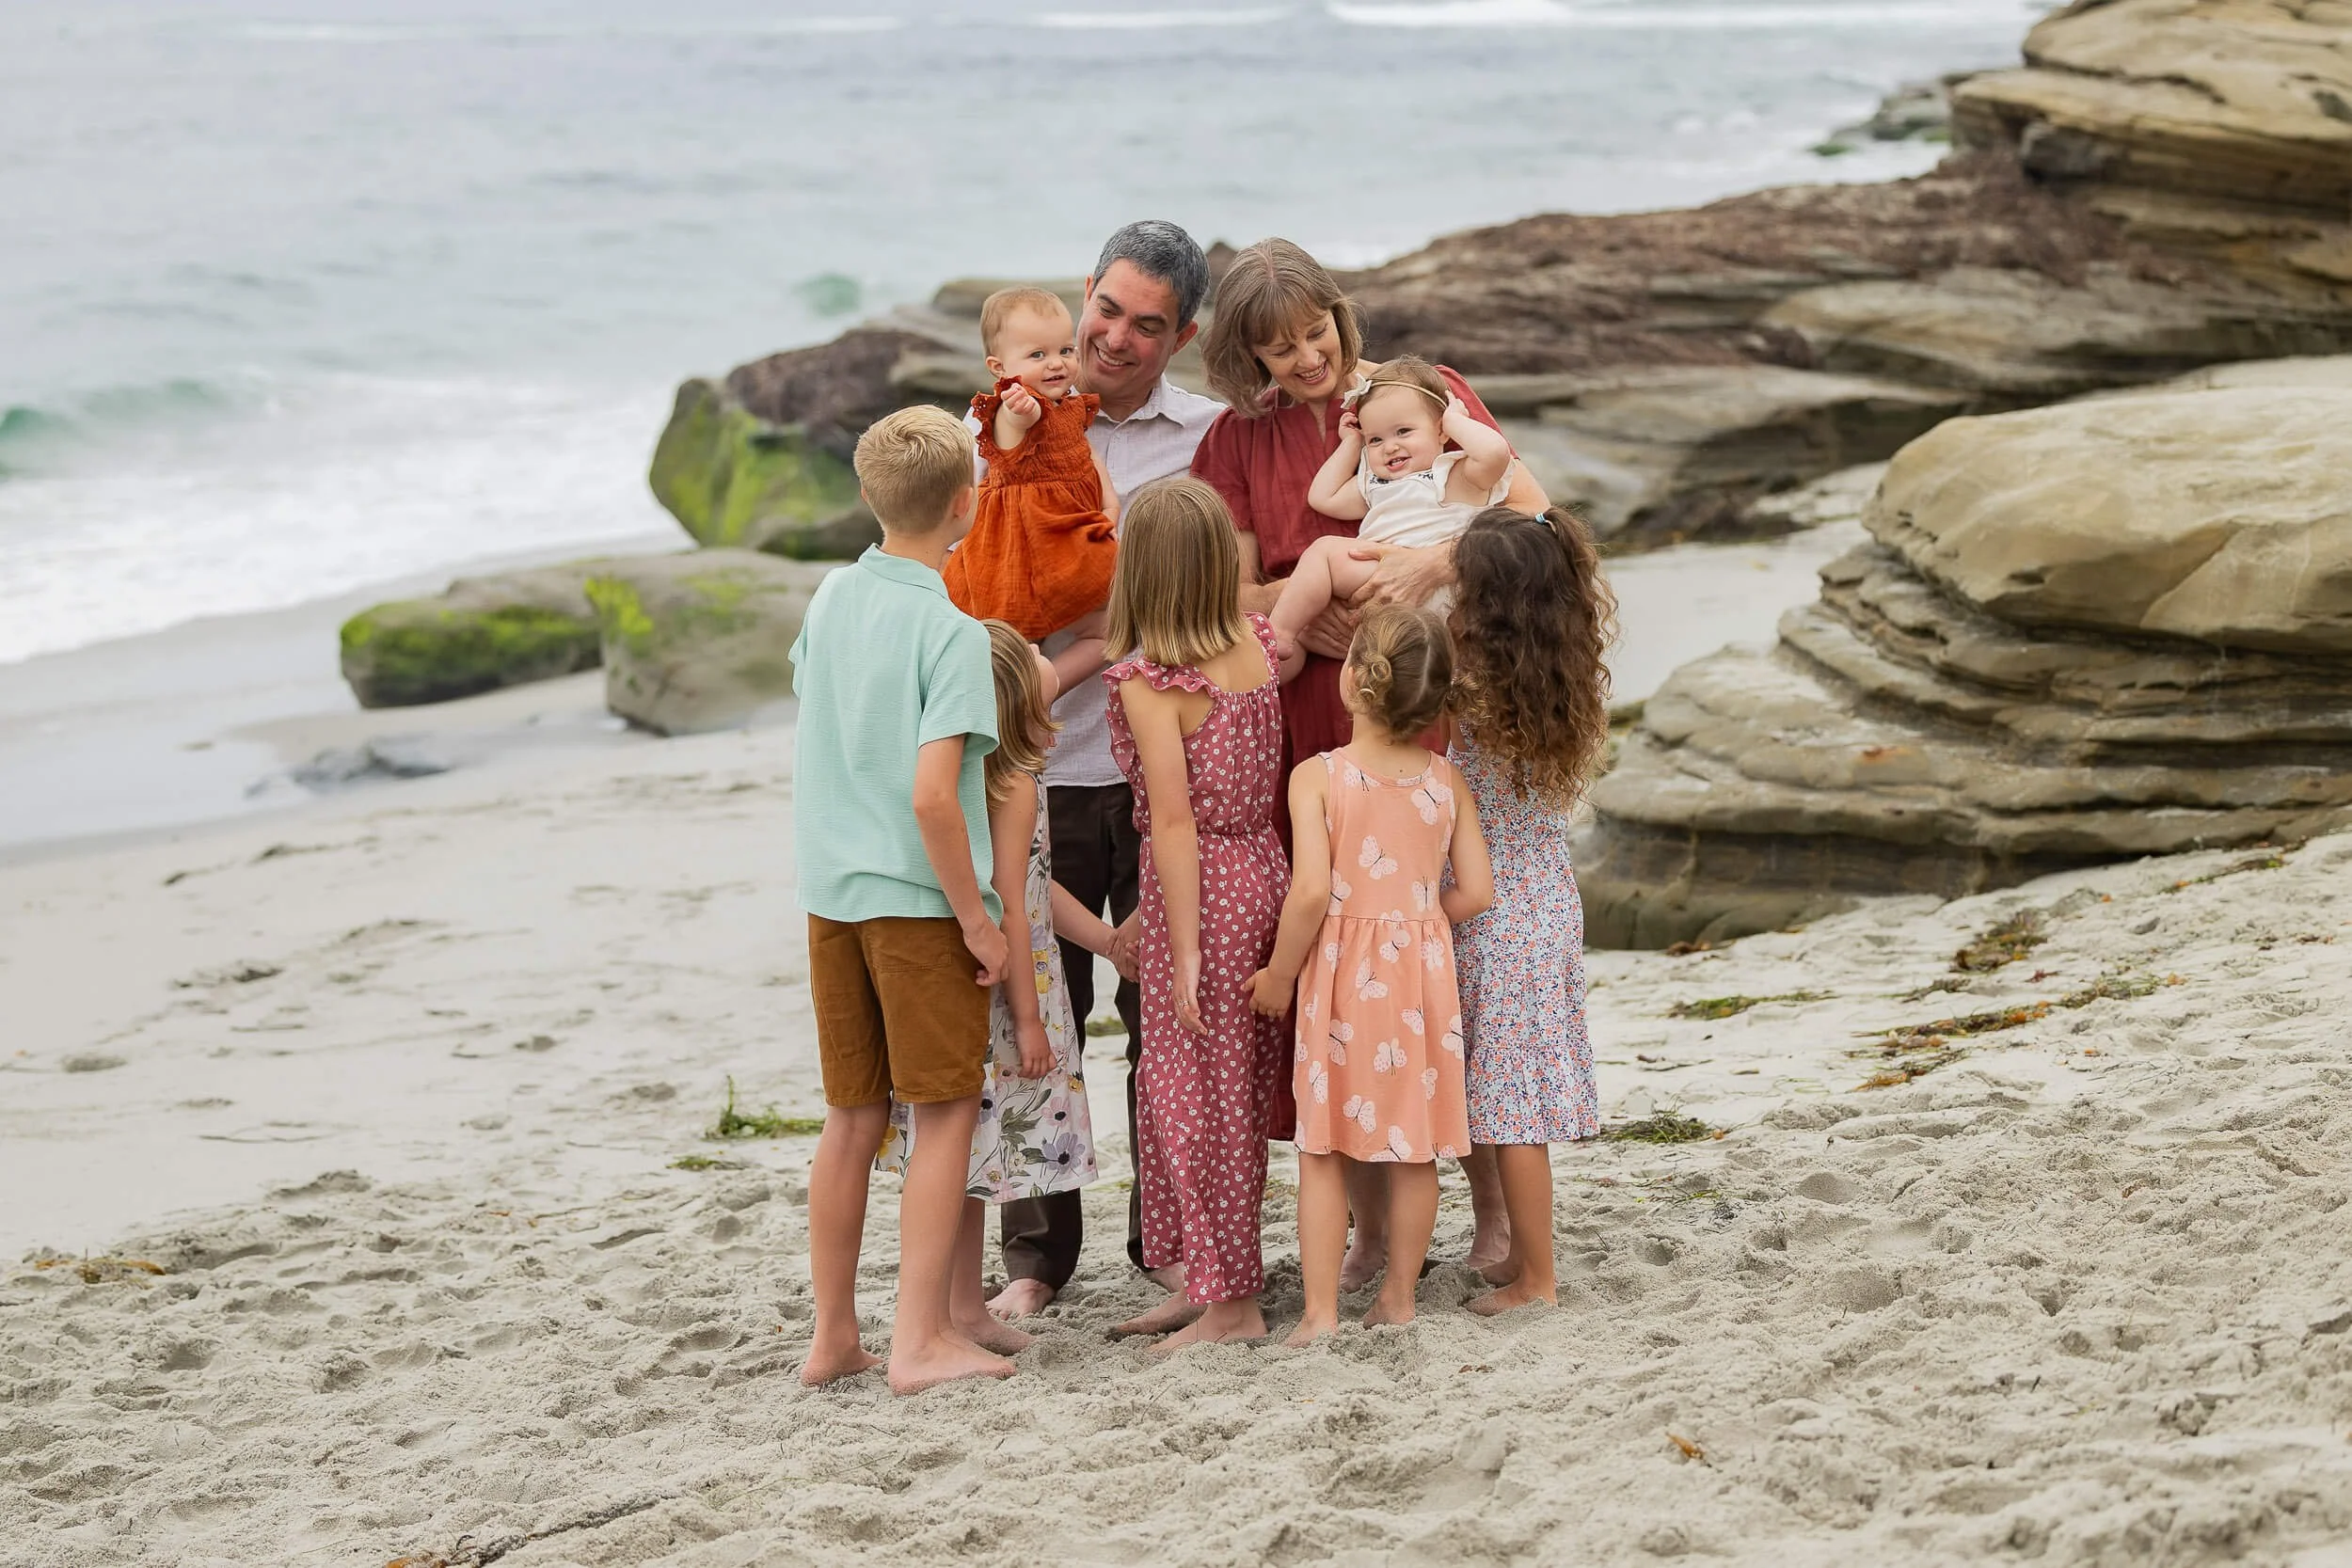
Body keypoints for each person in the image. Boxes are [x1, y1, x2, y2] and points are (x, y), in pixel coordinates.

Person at [1191, 237, 1543, 1289]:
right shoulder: (1232, 444)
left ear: (1342, 315)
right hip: (1311, 711)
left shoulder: (1424, 393)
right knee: (1342, 961)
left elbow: (1531, 518)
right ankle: (1367, 1228)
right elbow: (1225, 595)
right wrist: (1319, 604)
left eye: (1316, 334)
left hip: (1428, 695)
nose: (1306, 360)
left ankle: (1482, 1202)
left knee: (1440, 955)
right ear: (1246, 358)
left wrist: (1441, 558)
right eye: (1278, 349)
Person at [986, 221, 1225, 1321]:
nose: (1116, 338)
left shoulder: (1208, 440)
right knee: (1038, 1010)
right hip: (1031, 768)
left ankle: (1167, 1242)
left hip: (1161, 765)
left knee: (1163, 1016)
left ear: (1182, 335)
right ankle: (1033, 1261)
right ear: (1084, 292)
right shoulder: (998, 429)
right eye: (1108, 309)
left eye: (1147, 324)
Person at [788, 404, 1011, 1395]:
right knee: (944, 1109)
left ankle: (834, 1334)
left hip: (828, 890)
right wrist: (977, 916)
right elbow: (933, 795)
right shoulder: (952, 632)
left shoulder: (831, 596)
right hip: (916, 902)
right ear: (966, 505)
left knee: (850, 1116)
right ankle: (919, 1340)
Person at [1248, 606, 1492, 1343]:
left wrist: (1279, 977)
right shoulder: (1447, 781)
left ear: (1352, 681)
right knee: (1415, 1146)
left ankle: (1321, 1313)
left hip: (1343, 979)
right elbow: (1477, 891)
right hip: (1422, 979)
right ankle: (1398, 1298)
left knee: (1323, 1149)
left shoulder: (1317, 776)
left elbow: (1313, 892)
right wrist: (1416, 917)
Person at [875, 620, 1105, 1355]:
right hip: (1013, 993)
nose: (1050, 657)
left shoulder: (992, 779)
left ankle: (965, 1307)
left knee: (967, 1155)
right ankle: (955, 1310)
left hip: (1001, 979)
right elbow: (1011, 897)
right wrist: (1031, 1021)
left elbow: (1038, 887)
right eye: (1038, 656)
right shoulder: (1011, 789)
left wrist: (1103, 942)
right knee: (966, 1146)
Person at [1101, 477, 1293, 1349]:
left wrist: (1178, 947)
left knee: (1195, 1097)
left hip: (1207, 887)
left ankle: (1233, 1305)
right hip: (1263, 865)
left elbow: (1174, 822)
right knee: (1213, 1090)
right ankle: (1203, 1277)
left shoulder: (1153, 681)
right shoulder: (1254, 642)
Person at [1444, 506, 1617, 1318]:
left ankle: (1537, 1276)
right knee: (1510, 1096)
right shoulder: (1561, 668)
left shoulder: (1472, 679)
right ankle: (1519, 1249)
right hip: (1545, 897)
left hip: (1493, 912)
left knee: (1512, 1111)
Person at [1269, 358, 1514, 661]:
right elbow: (1323, 497)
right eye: (1376, 439)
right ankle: (1279, 635)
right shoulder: (1376, 485)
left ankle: (1278, 631)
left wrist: (1456, 422)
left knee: (1324, 551)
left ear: (1440, 431)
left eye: (1403, 431)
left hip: (1449, 586)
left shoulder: (1456, 474)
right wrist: (1350, 444)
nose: (1390, 447)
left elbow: (1495, 452)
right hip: (1382, 583)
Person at [941, 288, 1119, 646]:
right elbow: (1016, 427)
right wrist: (1022, 411)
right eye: (1038, 354)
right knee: (1017, 636)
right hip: (1020, 547)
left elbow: (1087, 455)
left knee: (1107, 626)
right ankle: (1029, 689)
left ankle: (1048, 687)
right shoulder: (1010, 409)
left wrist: (1110, 506)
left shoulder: (1069, 405)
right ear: (999, 368)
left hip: (1067, 537)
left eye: (1065, 351)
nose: (1056, 363)